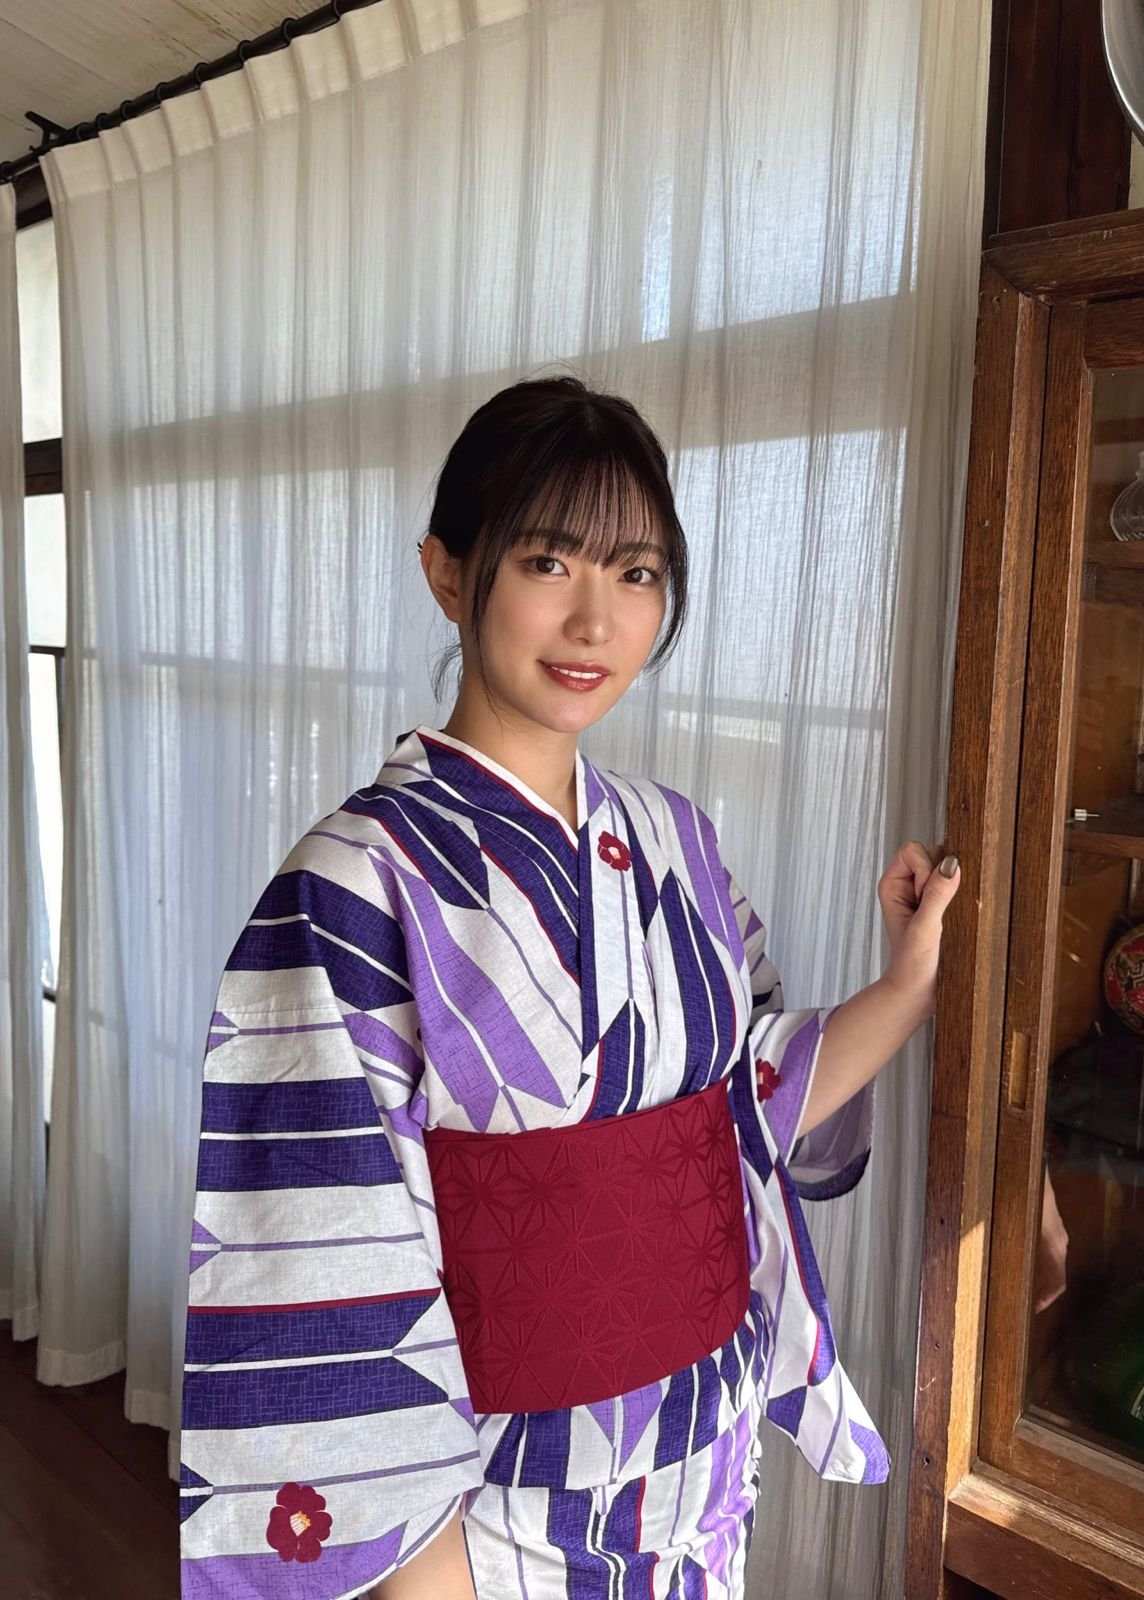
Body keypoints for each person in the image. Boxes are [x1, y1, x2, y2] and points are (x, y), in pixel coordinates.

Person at [178, 375, 961, 1599]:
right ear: (449, 572)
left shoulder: (677, 840)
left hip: (702, 1458)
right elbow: (314, 1257)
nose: (595, 619)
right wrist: (426, 1577)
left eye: (636, 574)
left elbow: (743, 1108)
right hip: (493, 1508)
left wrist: (905, 984)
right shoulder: (351, 881)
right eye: (547, 560)